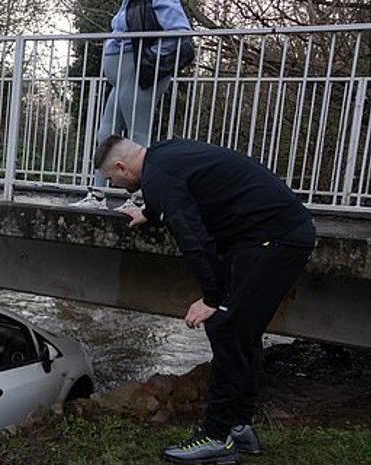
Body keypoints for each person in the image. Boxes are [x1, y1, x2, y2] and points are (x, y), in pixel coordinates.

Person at [95, 135, 316, 465]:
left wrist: (212, 298)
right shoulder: (163, 155)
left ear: (122, 166)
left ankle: (216, 437)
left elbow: (194, 240)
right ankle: (239, 425)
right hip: (270, 235)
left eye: (112, 178)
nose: (114, 184)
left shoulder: (158, 177)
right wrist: (151, 212)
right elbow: (181, 196)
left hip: (274, 239)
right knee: (242, 333)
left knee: (226, 326)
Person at [71, 0, 192, 210]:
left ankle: (139, 198)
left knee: (138, 135)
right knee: (106, 133)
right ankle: (97, 195)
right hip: (124, 75)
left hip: (136, 72)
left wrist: (149, 61)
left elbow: (180, 33)